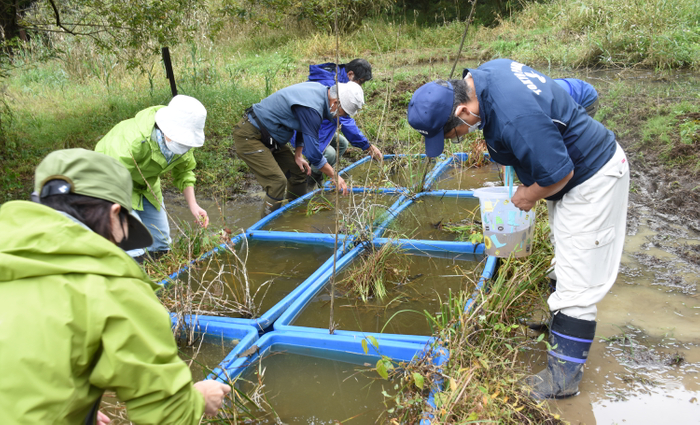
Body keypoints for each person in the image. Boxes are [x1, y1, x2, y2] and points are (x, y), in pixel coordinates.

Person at [408, 59, 629, 400]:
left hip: (591, 179)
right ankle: (559, 325)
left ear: (463, 111)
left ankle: (563, 379)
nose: (454, 140)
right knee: (566, 254)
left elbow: (558, 175)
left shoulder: (514, 115)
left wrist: (528, 194)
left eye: (450, 133)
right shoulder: (486, 76)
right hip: (572, 174)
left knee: (579, 277)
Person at [0, 148, 231, 424]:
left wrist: (74, 406)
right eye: (124, 233)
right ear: (114, 212)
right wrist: (198, 400)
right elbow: (166, 414)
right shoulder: (110, 284)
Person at [95, 95, 209, 261]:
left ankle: (160, 277)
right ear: (166, 128)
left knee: (161, 243)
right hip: (109, 183)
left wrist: (193, 205)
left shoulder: (185, 146)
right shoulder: (131, 141)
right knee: (133, 246)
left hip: (145, 184)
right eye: (180, 140)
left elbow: (185, 171)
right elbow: (109, 179)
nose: (184, 146)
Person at [233, 81, 362, 217]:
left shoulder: (321, 94)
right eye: (344, 113)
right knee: (277, 182)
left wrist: (298, 154)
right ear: (336, 103)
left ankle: (296, 217)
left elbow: (302, 124)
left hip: (272, 138)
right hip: (251, 136)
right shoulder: (313, 107)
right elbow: (313, 154)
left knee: (299, 174)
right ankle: (268, 230)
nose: (342, 117)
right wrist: (334, 175)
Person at [298, 58, 382, 188]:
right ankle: (310, 184)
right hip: (305, 128)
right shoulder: (332, 85)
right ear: (350, 74)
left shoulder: (340, 79)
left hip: (320, 126)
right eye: (361, 82)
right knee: (329, 153)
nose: (360, 86)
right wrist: (367, 146)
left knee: (342, 144)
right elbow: (344, 120)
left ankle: (323, 174)